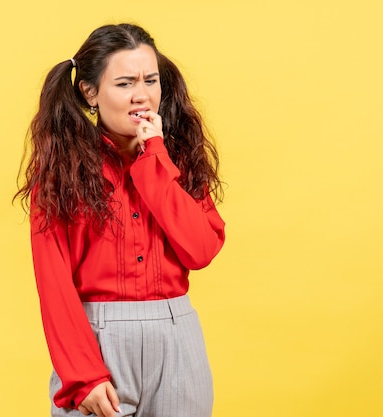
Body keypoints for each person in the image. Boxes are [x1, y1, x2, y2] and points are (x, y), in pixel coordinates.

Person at [15, 23, 225, 417]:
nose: (142, 96)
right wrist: (82, 375)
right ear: (90, 92)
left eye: (150, 80)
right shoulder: (61, 172)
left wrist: (154, 157)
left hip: (178, 340)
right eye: (125, 83)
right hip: (98, 342)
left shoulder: (177, 162)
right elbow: (53, 281)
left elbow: (200, 250)